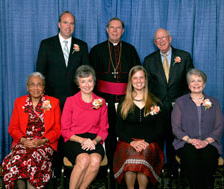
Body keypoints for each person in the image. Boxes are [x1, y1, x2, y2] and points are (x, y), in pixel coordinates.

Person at [36, 11, 89, 177]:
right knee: (54, 134)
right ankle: (55, 170)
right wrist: (43, 100)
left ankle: (71, 171)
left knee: (73, 135)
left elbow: (86, 73)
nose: (69, 26)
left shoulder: (82, 45)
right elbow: (40, 73)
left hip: (75, 101)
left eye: (72, 23)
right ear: (59, 24)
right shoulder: (46, 44)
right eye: (65, 23)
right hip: (52, 100)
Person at [89, 17, 141, 179]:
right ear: (107, 29)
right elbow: (91, 77)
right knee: (107, 133)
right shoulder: (97, 50)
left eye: (118, 28)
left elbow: (137, 75)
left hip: (126, 99)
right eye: (112, 27)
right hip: (103, 99)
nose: (115, 31)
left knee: (125, 132)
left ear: (123, 31)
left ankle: (127, 168)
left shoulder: (130, 50)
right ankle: (107, 170)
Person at [143, 28, 194, 171]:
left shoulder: (184, 57)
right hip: (157, 107)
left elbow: (191, 82)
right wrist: (152, 104)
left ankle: (174, 170)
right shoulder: (149, 60)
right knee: (157, 140)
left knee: (176, 140)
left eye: (163, 38)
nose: (161, 41)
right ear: (155, 42)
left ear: (170, 39)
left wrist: (182, 102)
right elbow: (147, 86)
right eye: (158, 39)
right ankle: (156, 170)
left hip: (179, 106)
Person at [2, 72, 61, 189]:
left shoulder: (53, 102)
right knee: (16, 160)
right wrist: (23, 140)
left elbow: (57, 130)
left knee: (33, 159)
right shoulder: (19, 102)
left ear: (44, 87)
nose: (35, 88)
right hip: (23, 143)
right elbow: (13, 128)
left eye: (39, 84)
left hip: (44, 144)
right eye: (32, 84)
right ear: (27, 87)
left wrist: (42, 141)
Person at [113, 65, 164, 188]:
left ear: (146, 80)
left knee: (144, 156)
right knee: (131, 155)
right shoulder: (124, 102)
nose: (139, 81)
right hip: (127, 143)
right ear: (131, 81)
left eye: (141, 78)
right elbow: (118, 129)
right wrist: (132, 142)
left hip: (149, 143)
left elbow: (160, 129)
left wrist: (146, 142)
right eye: (135, 78)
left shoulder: (155, 102)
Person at [171, 69, 224, 189]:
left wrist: (205, 141)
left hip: (209, 143)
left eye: (199, 81)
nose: (196, 84)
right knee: (191, 159)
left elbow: (219, 127)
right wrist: (191, 140)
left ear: (204, 84)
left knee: (208, 158)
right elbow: (176, 128)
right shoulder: (180, 102)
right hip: (185, 143)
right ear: (188, 84)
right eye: (192, 81)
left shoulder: (214, 102)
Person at [61, 65, 109, 189]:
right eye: (83, 81)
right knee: (83, 159)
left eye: (89, 80)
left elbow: (104, 129)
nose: (87, 85)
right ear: (78, 83)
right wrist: (83, 140)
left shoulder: (101, 102)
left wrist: (93, 141)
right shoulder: (70, 101)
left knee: (95, 161)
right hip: (74, 140)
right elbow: (65, 130)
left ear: (94, 81)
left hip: (94, 141)